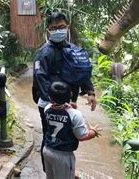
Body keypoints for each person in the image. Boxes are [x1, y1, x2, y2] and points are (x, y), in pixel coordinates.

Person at [32, 12, 97, 170]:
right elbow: (40, 79)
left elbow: (82, 71)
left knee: (67, 135)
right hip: (49, 104)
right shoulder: (44, 53)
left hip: (69, 103)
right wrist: (56, 104)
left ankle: (63, 168)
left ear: (67, 27)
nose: (58, 30)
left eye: (61, 27)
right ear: (48, 30)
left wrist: (90, 92)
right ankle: (50, 171)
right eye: (54, 28)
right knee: (50, 136)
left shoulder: (75, 51)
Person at [43, 81, 101, 179]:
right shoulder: (75, 114)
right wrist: (94, 132)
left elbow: (58, 109)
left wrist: (68, 105)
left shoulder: (47, 109)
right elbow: (82, 136)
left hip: (47, 150)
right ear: (70, 94)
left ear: (50, 98)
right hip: (63, 155)